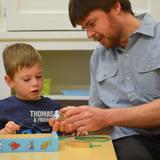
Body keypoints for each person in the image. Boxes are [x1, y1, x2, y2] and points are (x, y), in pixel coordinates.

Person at [50, 0, 160, 159]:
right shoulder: (98, 58)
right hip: (128, 142)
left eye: (92, 23)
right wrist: (78, 121)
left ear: (116, 7)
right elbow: (99, 124)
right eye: (84, 28)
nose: (89, 34)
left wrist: (106, 117)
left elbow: (103, 117)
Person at [0, 43, 61, 134]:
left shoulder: (53, 107)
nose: (35, 83)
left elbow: (63, 136)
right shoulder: (2, 108)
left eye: (39, 76)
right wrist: (3, 133)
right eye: (27, 79)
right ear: (10, 81)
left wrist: (70, 130)